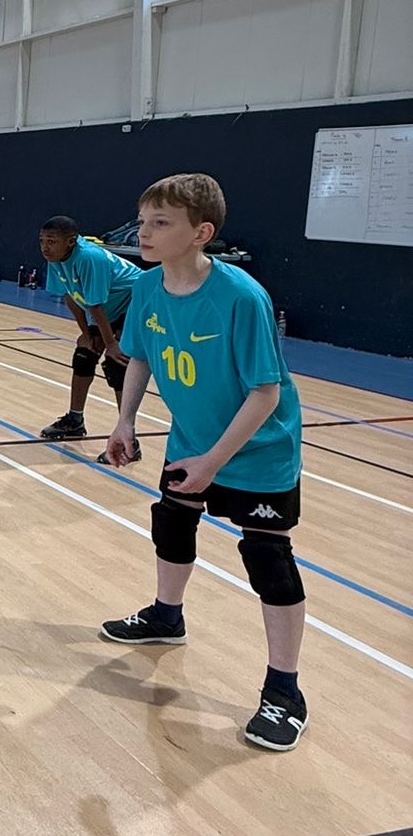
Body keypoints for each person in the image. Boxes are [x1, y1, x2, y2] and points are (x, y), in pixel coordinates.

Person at [102, 173, 308, 752]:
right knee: (171, 523)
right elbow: (140, 357)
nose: (143, 233)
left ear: (201, 233)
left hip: (258, 452)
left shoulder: (241, 297)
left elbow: (265, 393)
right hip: (190, 441)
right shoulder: (147, 287)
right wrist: (125, 420)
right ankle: (167, 617)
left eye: (160, 223)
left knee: (268, 559)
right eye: (143, 221)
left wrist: (214, 463)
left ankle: (285, 690)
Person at [37, 214, 145, 463]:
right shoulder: (55, 258)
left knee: (118, 362)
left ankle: (130, 441)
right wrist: (87, 335)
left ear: (71, 241)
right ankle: (75, 420)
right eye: (42, 240)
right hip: (110, 307)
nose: (45, 247)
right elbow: (70, 296)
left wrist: (111, 344)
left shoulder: (89, 258)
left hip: (136, 302)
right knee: (84, 355)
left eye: (51, 241)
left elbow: (95, 305)